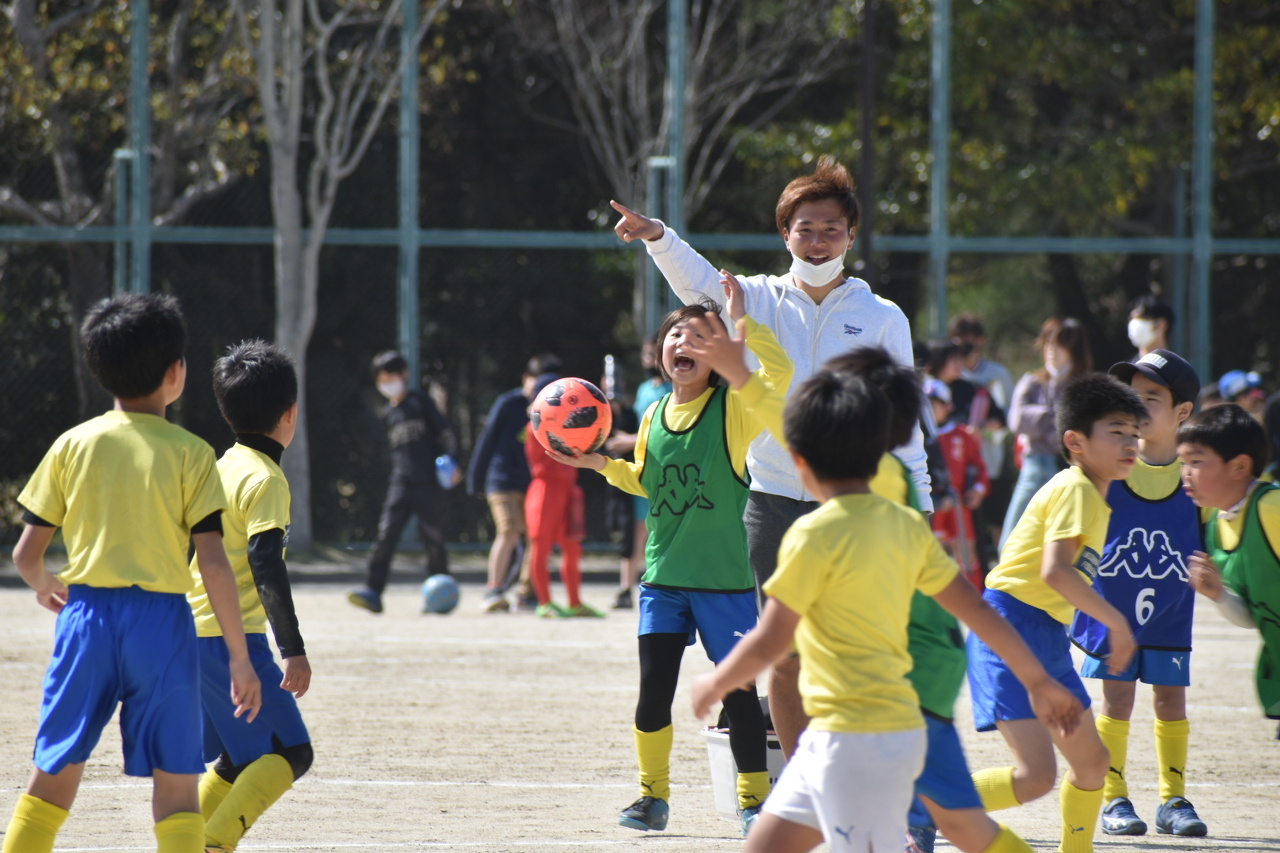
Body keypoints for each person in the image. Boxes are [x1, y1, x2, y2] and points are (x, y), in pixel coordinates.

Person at [612, 155, 930, 760]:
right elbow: (697, 285)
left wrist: (920, 503)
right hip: (770, 501)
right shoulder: (755, 297)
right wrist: (658, 236)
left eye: (831, 229)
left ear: (852, 236)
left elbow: (903, 420)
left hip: (853, 505)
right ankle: (805, 782)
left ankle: (856, 773)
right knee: (784, 657)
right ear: (785, 234)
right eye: (804, 229)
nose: (818, 241)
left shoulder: (883, 317)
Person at [687, 368, 1081, 853]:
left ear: (800, 462)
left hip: (845, 738)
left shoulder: (811, 536)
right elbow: (977, 611)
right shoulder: (905, 525)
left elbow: (772, 639)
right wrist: (1038, 682)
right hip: (899, 730)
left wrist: (718, 683)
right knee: (969, 833)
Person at [4, 293, 262, 853]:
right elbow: (213, 563)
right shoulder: (193, 453)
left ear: (99, 370)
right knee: (177, 791)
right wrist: (240, 657)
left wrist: (48, 586)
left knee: (52, 778)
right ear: (176, 372)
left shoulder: (72, 444)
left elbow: (26, 555)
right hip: (163, 625)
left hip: (87, 617)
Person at [549, 281, 791, 837]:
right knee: (653, 691)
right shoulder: (654, 413)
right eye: (675, 334)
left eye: (701, 337)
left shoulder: (733, 409)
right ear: (659, 349)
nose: (684, 343)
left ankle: (754, 801)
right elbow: (650, 482)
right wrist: (600, 465)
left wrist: (745, 326)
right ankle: (652, 796)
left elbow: (780, 380)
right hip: (663, 580)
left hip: (725, 583)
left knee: (738, 696)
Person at [967, 374, 1149, 853]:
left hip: (1044, 632)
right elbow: (1056, 572)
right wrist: (1117, 624)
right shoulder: (1078, 489)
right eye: (1117, 431)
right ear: (1075, 441)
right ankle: (924, 805)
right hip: (1007, 628)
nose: (1130, 443)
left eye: (1135, 433)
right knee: (1035, 776)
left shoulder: (1094, 494)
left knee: (1092, 764)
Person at [1068, 350, 1208, 837]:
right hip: (1114, 610)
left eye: (1151, 397)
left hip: (1171, 610)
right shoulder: (1110, 467)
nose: (1136, 405)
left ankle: (1174, 799)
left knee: (1171, 701)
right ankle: (1114, 797)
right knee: (1118, 699)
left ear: (1182, 411)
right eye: (1131, 395)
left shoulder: (1195, 474)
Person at [189, 340, 314, 852]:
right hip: (233, 636)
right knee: (292, 752)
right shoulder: (266, 480)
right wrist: (293, 649)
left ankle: (182, 844)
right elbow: (266, 563)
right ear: (291, 413)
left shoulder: (220, 468)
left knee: (238, 758)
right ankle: (214, 844)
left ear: (226, 412)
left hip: (193, 631)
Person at [1182, 406, 1280, 727]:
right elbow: (1254, 616)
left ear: (1239, 466)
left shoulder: (1272, 507)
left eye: (1196, 462)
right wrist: (1219, 595)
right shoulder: (1216, 526)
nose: (1186, 473)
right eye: (1182, 463)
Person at [348, 350, 458, 614]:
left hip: (428, 482)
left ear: (404, 375)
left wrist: (453, 461)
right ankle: (373, 591)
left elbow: (446, 433)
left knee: (433, 538)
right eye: (381, 380)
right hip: (400, 483)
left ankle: (439, 593)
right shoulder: (389, 413)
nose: (387, 384)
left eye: (391, 377)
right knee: (386, 536)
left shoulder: (420, 402)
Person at [466, 354, 561, 613]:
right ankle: (494, 589)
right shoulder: (508, 403)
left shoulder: (554, 409)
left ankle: (526, 593)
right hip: (502, 480)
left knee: (536, 538)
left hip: (533, 484)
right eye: (537, 381)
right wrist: (475, 479)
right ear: (525, 379)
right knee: (508, 531)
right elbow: (487, 440)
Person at [1000, 317, 1093, 551]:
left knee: (1064, 548)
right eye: (1048, 343)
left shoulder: (1086, 387)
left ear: (1074, 349)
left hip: (1070, 470)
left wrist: (1041, 423)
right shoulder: (1032, 381)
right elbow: (1016, 421)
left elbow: (1071, 436)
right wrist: (1055, 417)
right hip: (1033, 468)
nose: (1051, 350)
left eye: (1060, 344)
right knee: (1010, 543)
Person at [524, 370, 601, 619]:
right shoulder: (534, 426)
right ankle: (544, 602)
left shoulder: (569, 424)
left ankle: (575, 603)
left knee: (573, 547)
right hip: (546, 489)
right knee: (541, 547)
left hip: (567, 488)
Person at [602, 336, 672, 610]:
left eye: (653, 354)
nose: (649, 361)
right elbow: (638, 424)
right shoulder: (644, 389)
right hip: (643, 469)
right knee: (635, 530)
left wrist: (630, 441)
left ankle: (659, 584)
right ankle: (625, 588)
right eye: (645, 355)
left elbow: (665, 430)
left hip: (667, 472)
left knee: (657, 531)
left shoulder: (675, 389)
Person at [925, 377, 990, 589]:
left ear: (947, 406)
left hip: (959, 507)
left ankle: (975, 602)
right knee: (933, 558)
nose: (929, 410)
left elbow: (980, 469)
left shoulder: (961, 435)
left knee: (967, 559)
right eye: (925, 405)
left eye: (935, 404)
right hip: (932, 508)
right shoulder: (917, 438)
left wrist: (977, 490)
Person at [951, 312, 1015, 413]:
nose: (963, 347)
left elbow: (1011, 407)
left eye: (968, 341)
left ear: (981, 340)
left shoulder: (998, 373)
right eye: (960, 341)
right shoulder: (951, 374)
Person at [1127, 295, 1175, 359]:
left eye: (1142, 319)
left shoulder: (1177, 364)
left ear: (1161, 325)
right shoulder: (1126, 365)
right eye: (1133, 319)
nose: (1135, 325)